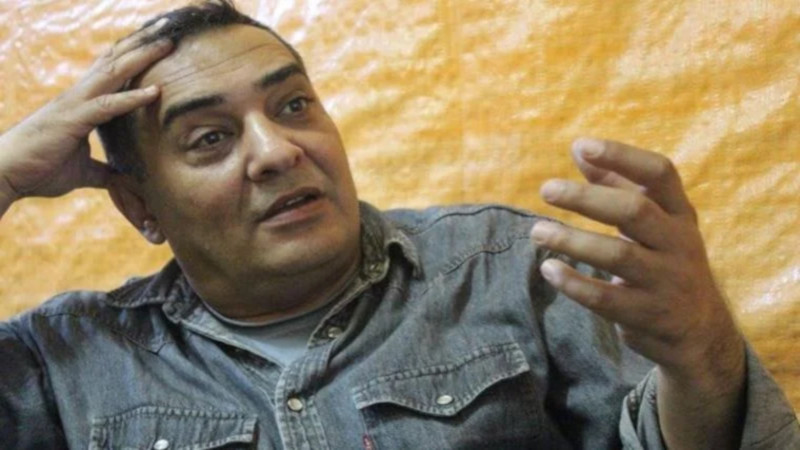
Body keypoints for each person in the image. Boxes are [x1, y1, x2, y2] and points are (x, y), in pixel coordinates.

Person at [0, 1, 797, 448]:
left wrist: (704, 358)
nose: (277, 151)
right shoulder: (65, 363)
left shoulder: (510, 268)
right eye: (210, 138)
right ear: (139, 206)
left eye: (293, 105)